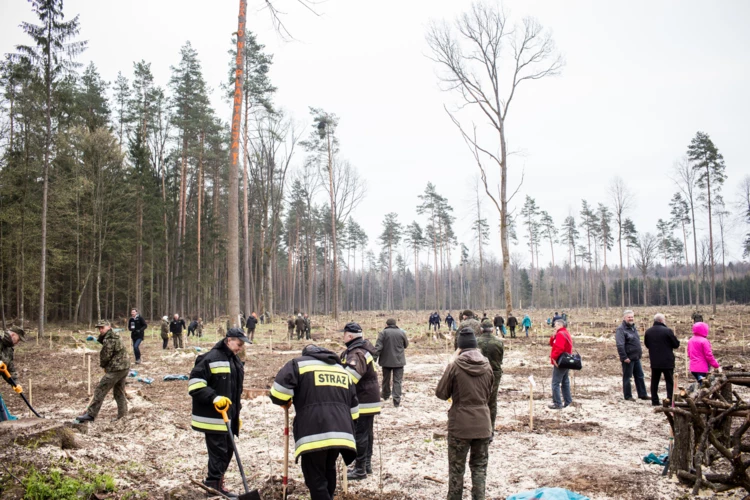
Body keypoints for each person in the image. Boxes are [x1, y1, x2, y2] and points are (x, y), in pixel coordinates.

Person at [269, 345, 359, 500]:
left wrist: (286, 400)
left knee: (315, 477)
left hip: (313, 432)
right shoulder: (342, 371)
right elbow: (355, 410)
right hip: (342, 432)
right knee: (328, 470)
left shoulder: (298, 364)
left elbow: (278, 393)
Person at [188, 328, 250, 498]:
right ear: (229, 340)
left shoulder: (234, 360)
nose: (240, 348)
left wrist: (236, 415)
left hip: (229, 416)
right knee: (219, 452)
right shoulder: (209, 358)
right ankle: (214, 485)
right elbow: (194, 385)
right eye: (239, 344)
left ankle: (216, 482)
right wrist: (214, 398)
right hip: (212, 417)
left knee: (228, 450)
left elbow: (234, 391)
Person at [436, 327, 494, 500]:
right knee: (479, 468)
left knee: (456, 470)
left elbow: (441, 393)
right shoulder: (488, 366)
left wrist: (450, 365)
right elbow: (489, 394)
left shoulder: (455, 366)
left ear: (459, 347)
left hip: (460, 426)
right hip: (483, 425)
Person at [340, 322, 381, 479]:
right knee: (366, 433)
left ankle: (359, 469)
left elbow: (351, 377)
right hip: (369, 397)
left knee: (361, 434)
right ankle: (366, 465)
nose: (342, 337)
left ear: (349, 336)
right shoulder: (361, 351)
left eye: (344, 334)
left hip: (363, 398)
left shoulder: (357, 354)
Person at [76, 320, 129, 422]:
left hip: (116, 368)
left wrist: (104, 365)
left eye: (102, 327)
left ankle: (91, 414)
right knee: (119, 392)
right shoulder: (112, 335)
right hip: (124, 367)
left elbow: (105, 355)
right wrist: (99, 338)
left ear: (108, 327)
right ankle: (123, 415)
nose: (100, 330)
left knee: (100, 389)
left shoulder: (110, 339)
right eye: (99, 328)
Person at [644, 313, 680, 406]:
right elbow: (676, 344)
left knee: (654, 381)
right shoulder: (667, 331)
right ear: (661, 320)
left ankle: (654, 401)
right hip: (667, 361)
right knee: (669, 381)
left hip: (654, 360)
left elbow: (647, 344)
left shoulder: (648, 331)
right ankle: (669, 399)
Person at [374, 318, 408, 408]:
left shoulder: (383, 333)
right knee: (397, 381)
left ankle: (385, 395)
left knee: (386, 379)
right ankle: (396, 400)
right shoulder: (401, 333)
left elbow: (378, 347)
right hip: (399, 361)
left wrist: (373, 359)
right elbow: (406, 345)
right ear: (395, 324)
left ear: (386, 324)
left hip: (386, 361)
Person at [477, 319, 504, 433]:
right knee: (492, 402)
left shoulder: (476, 342)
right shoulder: (499, 342)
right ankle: (490, 429)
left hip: (479, 373)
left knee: (479, 400)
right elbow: (500, 358)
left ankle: (479, 428)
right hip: (495, 373)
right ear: (492, 330)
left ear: (481, 330)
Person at [615, 310, 648, 401]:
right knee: (628, 378)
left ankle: (642, 394)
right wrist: (624, 357)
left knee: (640, 376)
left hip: (636, 357)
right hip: (628, 358)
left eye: (632, 317)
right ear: (624, 318)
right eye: (629, 317)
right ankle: (628, 396)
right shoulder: (621, 329)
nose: (631, 318)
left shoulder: (633, 327)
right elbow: (620, 344)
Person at [0, 327, 25, 422]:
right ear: (13, 335)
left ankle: (6, 422)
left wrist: (15, 383)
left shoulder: (9, 349)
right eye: (18, 339)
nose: (17, 343)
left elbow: (10, 368)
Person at [549, 318, 573, 410]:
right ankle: (568, 401)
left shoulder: (561, 334)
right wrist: (553, 336)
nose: (554, 327)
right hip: (566, 361)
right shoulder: (565, 333)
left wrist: (554, 359)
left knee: (555, 383)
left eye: (555, 325)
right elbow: (552, 344)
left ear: (560, 325)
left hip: (560, 362)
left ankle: (557, 403)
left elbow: (559, 348)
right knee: (565, 381)